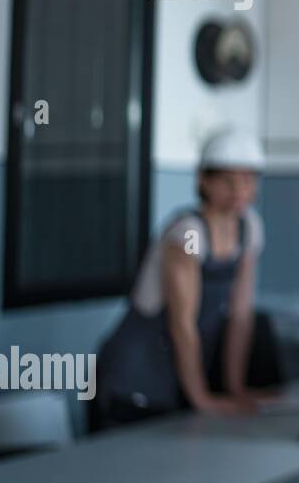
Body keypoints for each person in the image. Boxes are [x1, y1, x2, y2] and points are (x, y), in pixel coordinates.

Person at [93, 128, 276, 430]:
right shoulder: (187, 233)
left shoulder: (250, 229)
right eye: (227, 180)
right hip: (132, 379)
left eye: (247, 179)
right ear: (204, 180)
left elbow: (241, 316)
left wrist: (235, 387)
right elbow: (183, 324)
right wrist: (202, 398)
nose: (239, 190)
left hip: (176, 380)